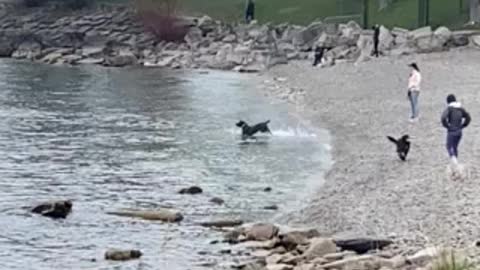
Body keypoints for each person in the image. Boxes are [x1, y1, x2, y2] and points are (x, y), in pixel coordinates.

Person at [441, 94, 471, 167]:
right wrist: (463, 125)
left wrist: (447, 126)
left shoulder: (449, 109)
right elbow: (468, 117)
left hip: (452, 131)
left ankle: (454, 161)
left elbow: (443, 117)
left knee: (449, 146)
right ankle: (455, 160)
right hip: (459, 131)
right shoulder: (460, 108)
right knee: (455, 147)